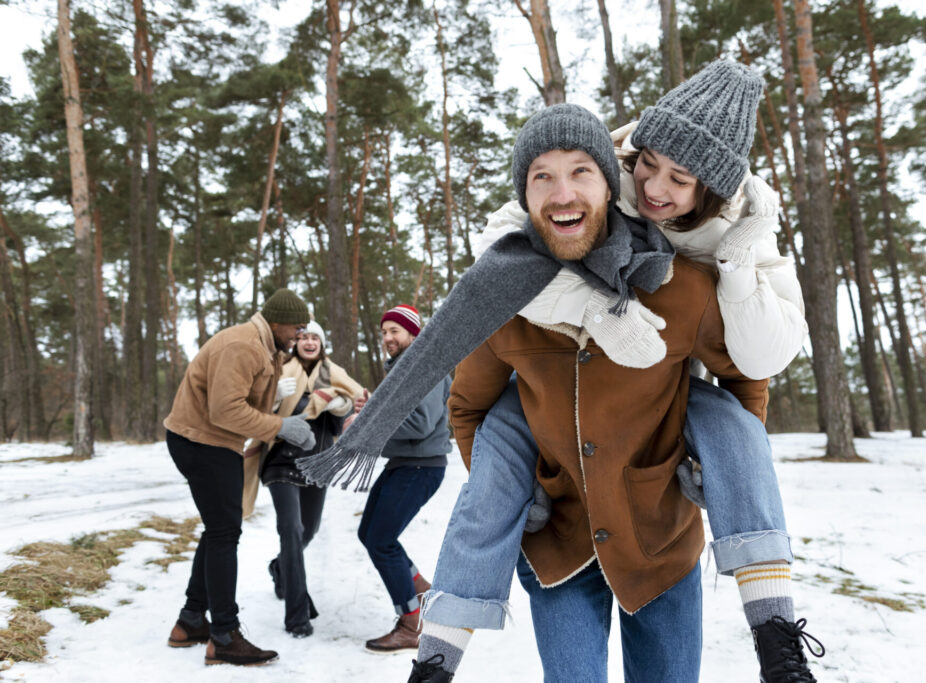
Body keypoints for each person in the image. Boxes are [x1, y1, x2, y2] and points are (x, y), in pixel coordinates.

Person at [414, 60, 822, 683]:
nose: (564, 193)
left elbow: (745, 379)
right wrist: (512, 490)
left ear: (607, 187)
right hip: (559, 542)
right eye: (543, 180)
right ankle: (438, 656)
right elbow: (467, 408)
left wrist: (709, 468)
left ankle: (773, 626)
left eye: (582, 174)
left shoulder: (687, 287)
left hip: (659, 539)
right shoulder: (509, 299)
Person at [163, 288, 314, 667]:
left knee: (219, 529)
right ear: (277, 322)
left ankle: (191, 620)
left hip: (214, 443)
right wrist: (280, 427)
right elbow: (225, 410)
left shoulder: (265, 348)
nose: (299, 336)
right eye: (296, 328)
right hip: (203, 442)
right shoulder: (244, 346)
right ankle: (224, 635)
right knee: (225, 533)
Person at [244, 320, 364, 638]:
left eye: (315, 337)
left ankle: (280, 567)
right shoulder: (278, 371)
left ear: (322, 343)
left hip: (318, 465)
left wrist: (342, 407)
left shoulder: (334, 376)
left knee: (306, 532)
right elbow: (254, 410)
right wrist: (272, 396)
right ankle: (297, 617)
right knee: (291, 531)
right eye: (304, 337)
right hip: (281, 462)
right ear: (295, 343)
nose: (309, 342)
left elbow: (347, 417)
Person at [356, 304, 451, 654]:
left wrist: (368, 424)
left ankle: (411, 623)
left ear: (414, 333)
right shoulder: (403, 369)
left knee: (381, 541)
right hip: (403, 464)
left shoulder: (423, 365)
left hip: (421, 466)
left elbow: (421, 424)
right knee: (370, 533)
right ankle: (421, 592)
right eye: (384, 333)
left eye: (395, 331)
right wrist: (370, 413)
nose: (387, 339)